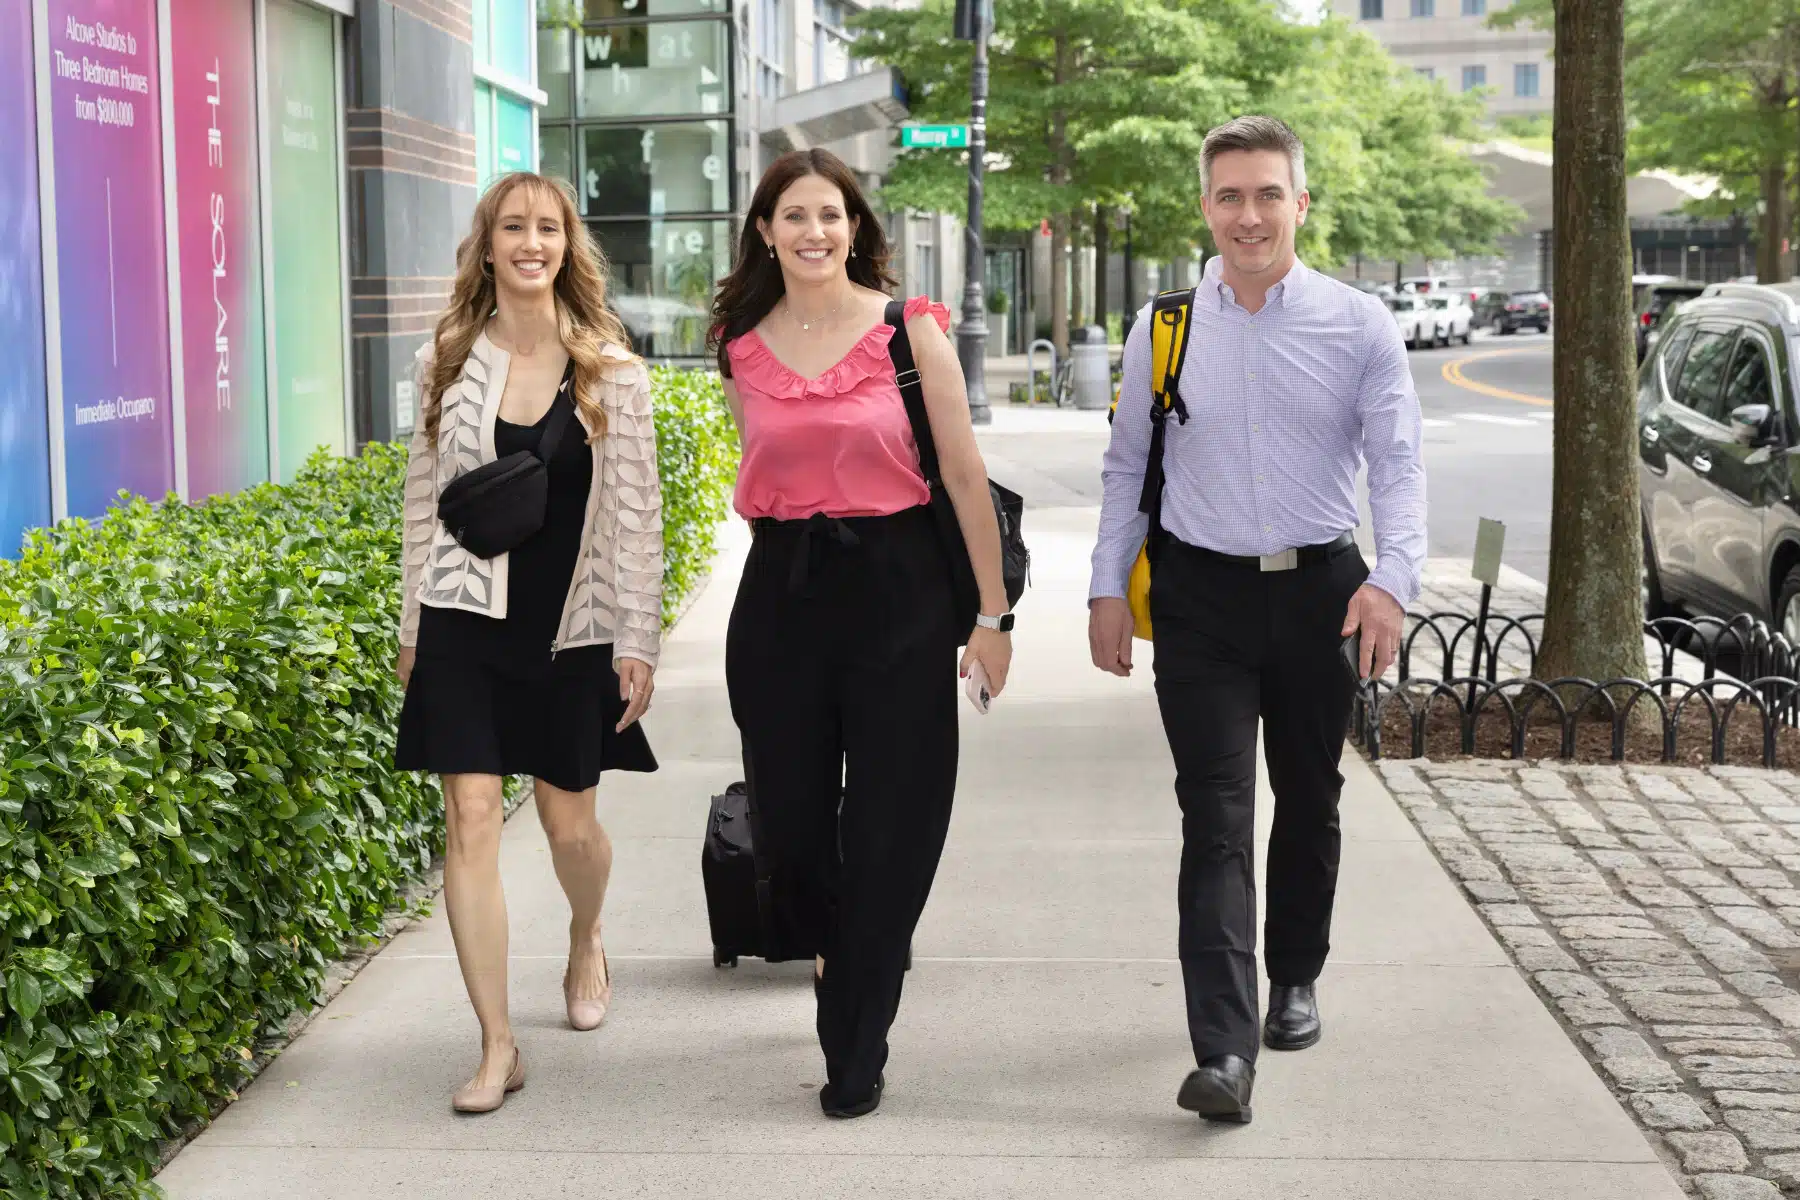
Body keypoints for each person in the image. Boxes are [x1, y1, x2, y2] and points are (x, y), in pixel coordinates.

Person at [1088, 116, 1425, 1124]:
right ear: (1205, 207)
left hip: (1325, 592)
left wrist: (1394, 580)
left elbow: (1399, 467)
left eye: (1268, 194)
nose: (1249, 215)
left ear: (1300, 203)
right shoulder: (1167, 329)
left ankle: (1298, 975)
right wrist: (1109, 586)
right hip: (1201, 600)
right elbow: (1123, 471)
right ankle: (1224, 1053)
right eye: (1229, 196)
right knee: (1218, 814)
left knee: (1308, 798)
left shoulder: (1359, 324)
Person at [708, 148, 1013, 1119]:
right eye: (793, 216)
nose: (813, 232)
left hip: (900, 595)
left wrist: (991, 615)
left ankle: (855, 1039)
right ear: (765, 230)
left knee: (891, 827)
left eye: (830, 215)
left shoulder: (905, 330)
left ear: (853, 226)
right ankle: (845, 947)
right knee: (792, 834)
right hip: (782, 597)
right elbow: (754, 474)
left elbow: (963, 477)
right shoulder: (738, 343)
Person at [393, 172, 664, 1114]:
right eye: (514, 227)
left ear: (567, 245)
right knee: (468, 817)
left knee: (570, 828)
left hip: (569, 631)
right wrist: (411, 625)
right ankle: (496, 1045)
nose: (530, 242)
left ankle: (587, 937)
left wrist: (640, 639)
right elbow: (424, 501)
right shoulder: (446, 361)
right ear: (490, 243)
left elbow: (637, 518)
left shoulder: (612, 374)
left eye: (547, 228)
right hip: (463, 619)